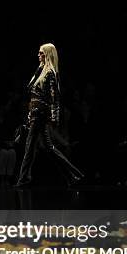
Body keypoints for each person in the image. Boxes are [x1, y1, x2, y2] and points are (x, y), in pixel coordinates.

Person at [15, 43, 84, 187]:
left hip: (40, 115)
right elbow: (29, 88)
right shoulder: (41, 72)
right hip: (35, 114)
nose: (38, 55)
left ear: (47, 55)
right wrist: (38, 69)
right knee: (48, 148)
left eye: (41, 53)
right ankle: (74, 176)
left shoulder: (50, 73)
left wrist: (54, 118)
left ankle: (24, 179)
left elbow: (55, 98)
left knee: (30, 147)